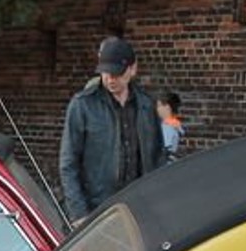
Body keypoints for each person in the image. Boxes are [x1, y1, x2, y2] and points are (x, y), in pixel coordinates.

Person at [59, 36, 166, 222]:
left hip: (140, 209)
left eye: (117, 73)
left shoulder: (146, 106)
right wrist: (79, 214)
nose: (110, 79)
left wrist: (157, 202)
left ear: (132, 69)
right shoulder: (83, 105)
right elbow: (68, 163)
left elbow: (158, 159)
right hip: (97, 211)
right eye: (105, 72)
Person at [157, 90, 183, 158]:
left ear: (167, 107)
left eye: (159, 106)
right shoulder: (174, 124)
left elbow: (164, 150)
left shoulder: (167, 127)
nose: (157, 109)